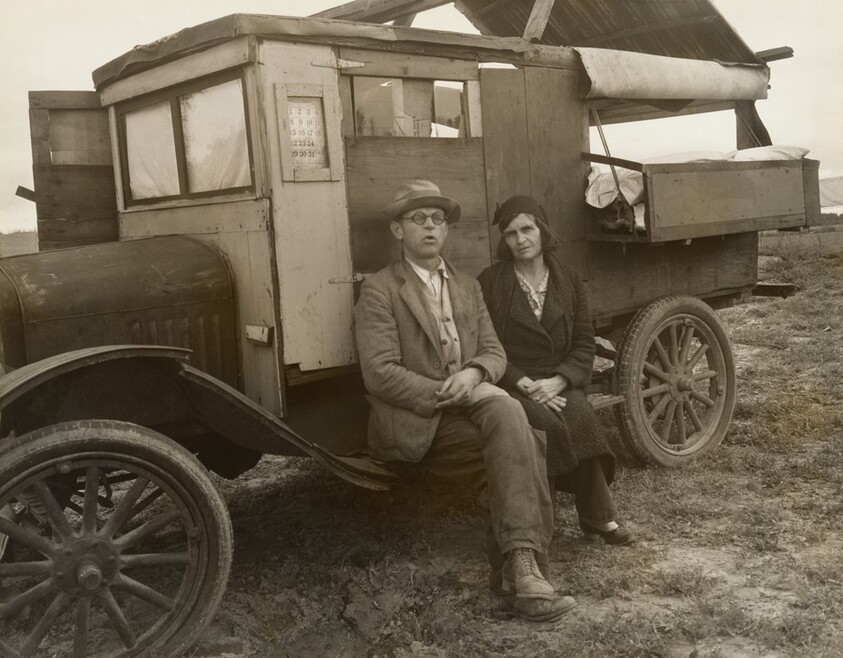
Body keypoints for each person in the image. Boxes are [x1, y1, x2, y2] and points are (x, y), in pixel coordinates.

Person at [354, 180, 576, 622]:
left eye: (438, 219)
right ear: (398, 231)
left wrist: (474, 373)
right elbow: (379, 374)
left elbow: (494, 353)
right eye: (418, 219)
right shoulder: (380, 289)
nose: (430, 227)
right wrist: (444, 391)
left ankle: (521, 571)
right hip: (419, 420)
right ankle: (523, 573)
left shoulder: (466, 285)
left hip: (471, 399)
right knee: (524, 441)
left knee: (510, 413)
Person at [478, 195, 633, 546]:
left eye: (527, 229)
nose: (520, 239)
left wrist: (560, 380)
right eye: (510, 234)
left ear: (543, 230)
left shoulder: (569, 281)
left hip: (558, 378)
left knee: (580, 414)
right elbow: (486, 344)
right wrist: (523, 382)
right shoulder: (491, 282)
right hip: (513, 380)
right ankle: (536, 527)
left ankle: (598, 516)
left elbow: (583, 341)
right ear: (504, 241)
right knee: (542, 424)